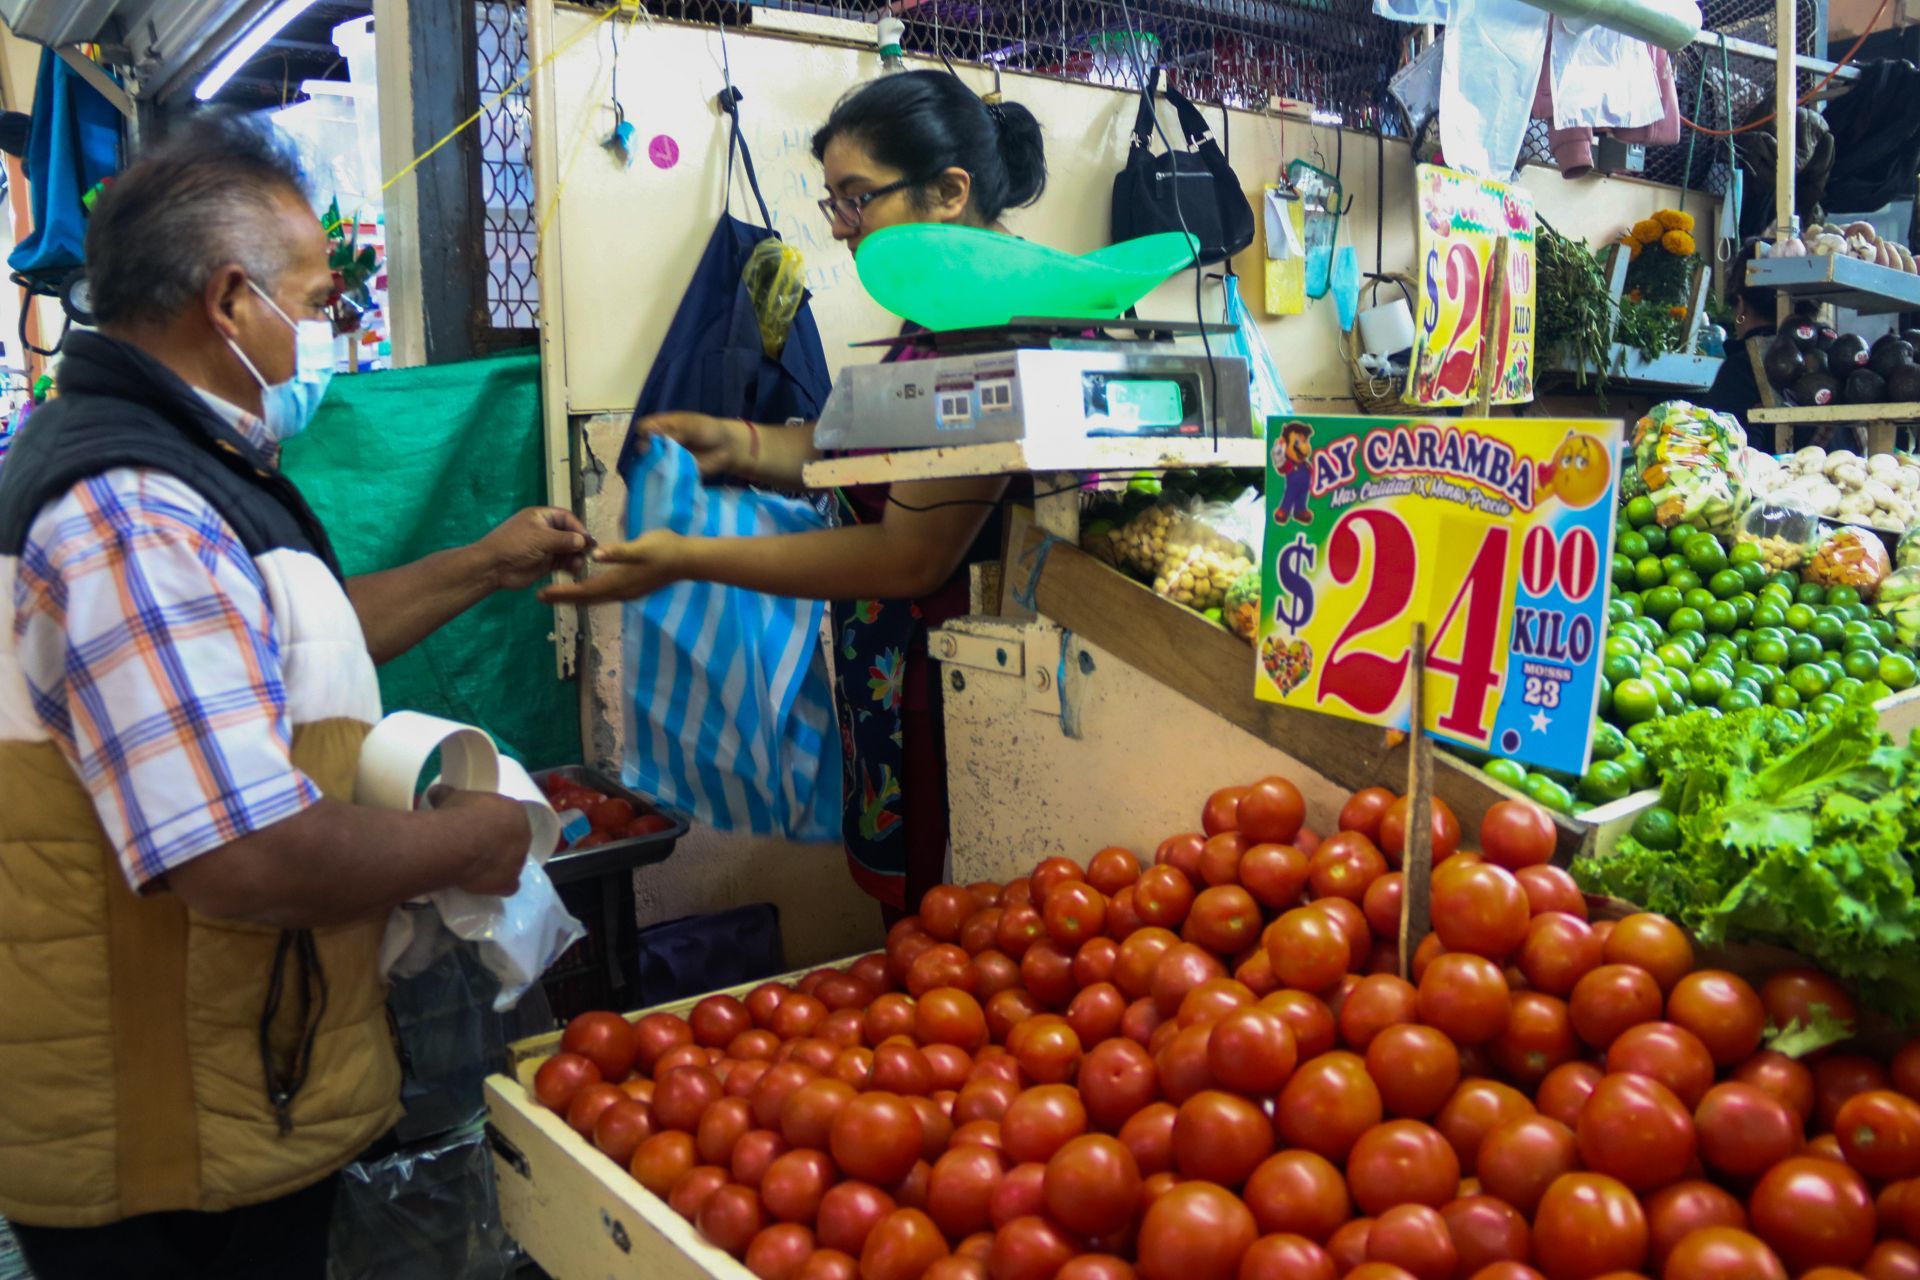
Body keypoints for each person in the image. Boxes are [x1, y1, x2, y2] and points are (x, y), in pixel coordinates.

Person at [0, 114, 587, 1277]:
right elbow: (243, 853)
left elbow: (249, 655)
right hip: (163, 1128)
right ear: (230, 302)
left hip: (217, 1083)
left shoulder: (179, 465)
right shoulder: (133, 505)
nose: (325, 329)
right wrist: (473, 839)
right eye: (318, 304)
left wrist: (486, 562)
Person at [543, 71, 1046, 915]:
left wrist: (690, 558)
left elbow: (907, 557)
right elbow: (864, 440)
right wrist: (737, 441)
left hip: (962, 694)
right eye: (834, 206)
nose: (844, 232)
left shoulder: (997, 328)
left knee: (960, 932)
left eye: (858, 201)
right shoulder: (943, 312)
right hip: (899, 681)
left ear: (949, 191)